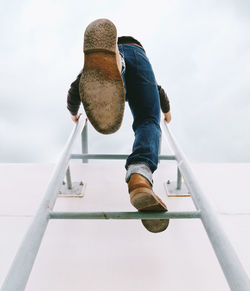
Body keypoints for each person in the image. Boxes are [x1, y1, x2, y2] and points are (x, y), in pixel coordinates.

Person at [67, 19, 171, 233]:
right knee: (148, 120)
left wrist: (73, 112)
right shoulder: (143, 67)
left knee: (96, 77)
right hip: (140, 56)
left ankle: (118, 64)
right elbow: (158, 91)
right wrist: (167, 112)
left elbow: (76, 88)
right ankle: (140, 175)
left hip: (109, 50)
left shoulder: (93, 75)